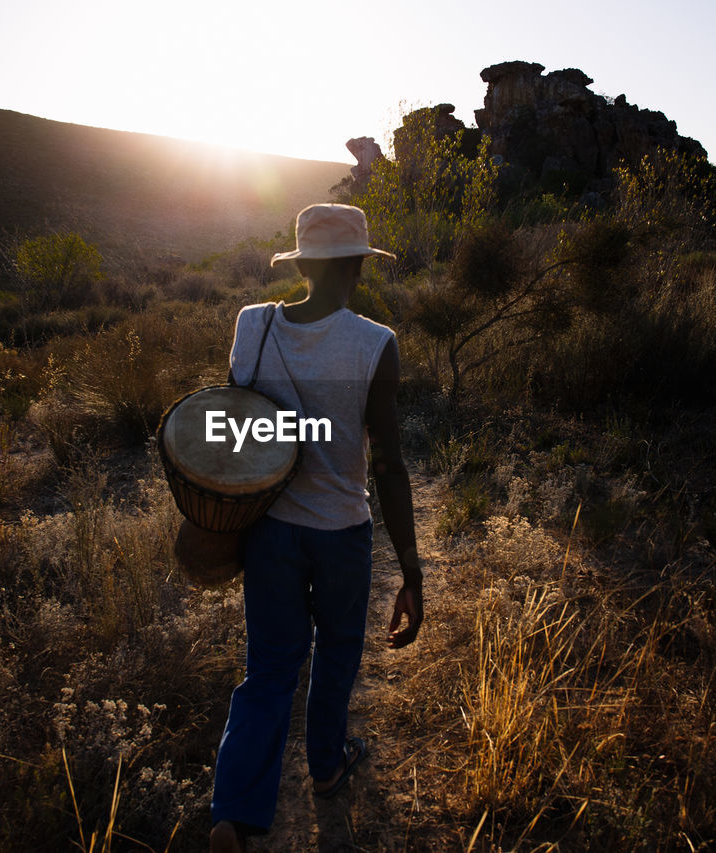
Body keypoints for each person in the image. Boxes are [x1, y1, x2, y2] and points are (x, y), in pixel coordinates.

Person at [209, 204, 423, 852]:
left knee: (270, 667)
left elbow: (236, 422)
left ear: (300, 264)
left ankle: (237, 814)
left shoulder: (252, 326)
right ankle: (327, 766)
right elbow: (386, 465)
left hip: (270, 526)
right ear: (358, 266)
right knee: (336, 652)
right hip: (341, 531)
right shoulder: (373, 343)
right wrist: (412, 570)